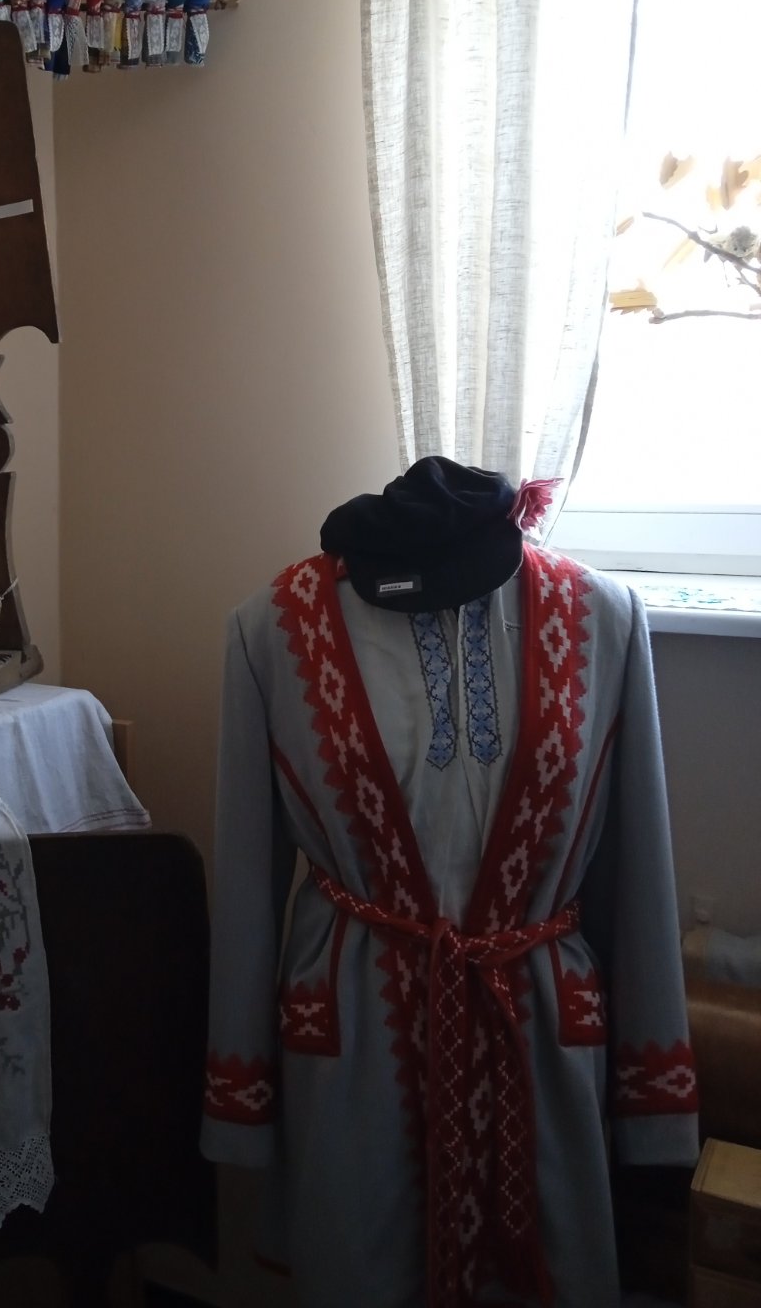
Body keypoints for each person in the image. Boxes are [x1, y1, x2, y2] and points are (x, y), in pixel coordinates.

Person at [201, 457, 698, 1308]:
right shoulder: (271, 629)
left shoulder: (606, 618)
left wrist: (652, 1097)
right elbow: (248, 880)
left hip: (537, 1032)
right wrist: (239, 1096)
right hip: (358, 1035)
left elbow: (639, 868)